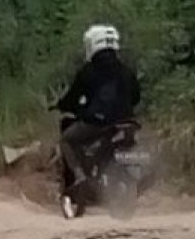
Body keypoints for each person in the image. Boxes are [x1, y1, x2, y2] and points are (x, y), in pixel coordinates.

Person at [55, 24, 141, 194]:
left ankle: (79, 176)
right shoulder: (126, 70)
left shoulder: (89, 71)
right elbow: (136, 96)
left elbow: (73, 96)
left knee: (66, 140)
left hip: (98, 122)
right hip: (126, 121)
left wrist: (63, 105)